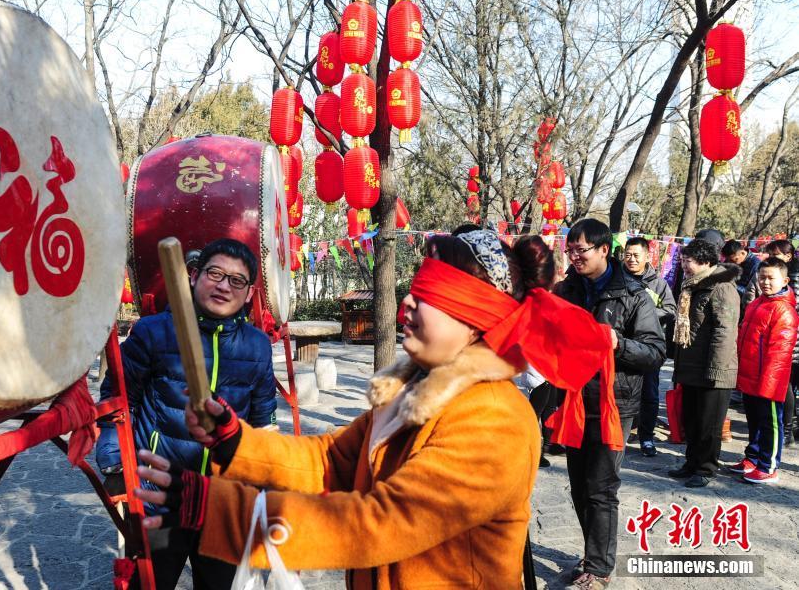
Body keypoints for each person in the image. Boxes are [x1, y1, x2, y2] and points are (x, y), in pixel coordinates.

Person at [130, 229, 622, 590]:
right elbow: (331, 460)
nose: (406, 304)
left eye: (426, 297)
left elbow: (383, 523)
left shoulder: (495, 417)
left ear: (474, 322)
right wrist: (236, 441)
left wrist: (219, 511)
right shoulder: (415, 393)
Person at [95, 238, 278, 590]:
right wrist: (115, 459)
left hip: (223, 501)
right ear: (194, 276)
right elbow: (119, 398)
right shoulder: (153, 332)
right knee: (151, 582)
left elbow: (263, 418)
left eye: (236, 280)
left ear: (248, 293)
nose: (224, 286)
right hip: (159, 497)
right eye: (215, 273)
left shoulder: (256, 346)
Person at [555, 218, 665, 589]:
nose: (574, 256)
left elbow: (655, 352)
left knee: (601, 487)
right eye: (570, 250)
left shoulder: (633, 294)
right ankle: (592, 554)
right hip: (573, 398)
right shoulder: (567, 289)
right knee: (578, 485)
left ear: (604, 249)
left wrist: (619, 344)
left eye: (581, 250)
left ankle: (599, 568)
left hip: (614, 403)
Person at [668, 239, 740, 488]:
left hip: (714, 370)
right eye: (682, 260)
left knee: (709, 425)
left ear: (706, 262)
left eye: (688, 261)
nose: (684, 266)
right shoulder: (692, 286)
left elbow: (725, 331)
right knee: (692, 420)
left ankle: (706, 468)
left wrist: (716, 369)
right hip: (692, 367)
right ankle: (691, 463)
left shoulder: (721, 288)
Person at [731, 258, 798, 484]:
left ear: (785, 281)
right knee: (754, 421)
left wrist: (768, 385)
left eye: (771, 278)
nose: (765, 282)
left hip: (768, 380)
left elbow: (779, 354)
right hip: (751, 376)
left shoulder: (784, 310)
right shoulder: (757, 303)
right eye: (762, 278)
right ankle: (752, 458)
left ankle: (768, 466)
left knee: (771, 424)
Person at [621, 237, 676, 457]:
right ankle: (620, 435)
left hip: (649, 347)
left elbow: (670, 310)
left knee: (650, 394)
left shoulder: (658, 283)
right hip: (623, 346)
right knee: (622, 392)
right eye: (628, 254)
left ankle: (646, 437)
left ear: (646, 256)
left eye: (636, 255)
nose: (632, 259)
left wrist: (645, 315)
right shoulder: (616, 279)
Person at [763, 239, 799, 447]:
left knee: (786, 386)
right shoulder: (775, 275)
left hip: (790, 338)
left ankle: (787, 429)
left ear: (788, 256)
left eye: (775, 254)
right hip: (785, 335)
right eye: (770, 254)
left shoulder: (792, 277)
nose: (771, 258)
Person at [722, 239, 762, 313]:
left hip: (746, 305)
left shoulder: (756, 265)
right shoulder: (730, 260)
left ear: (743, 253)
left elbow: (753, 292)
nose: (731, 263)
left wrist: (731, 284)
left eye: (734, 260)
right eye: (728, 260)